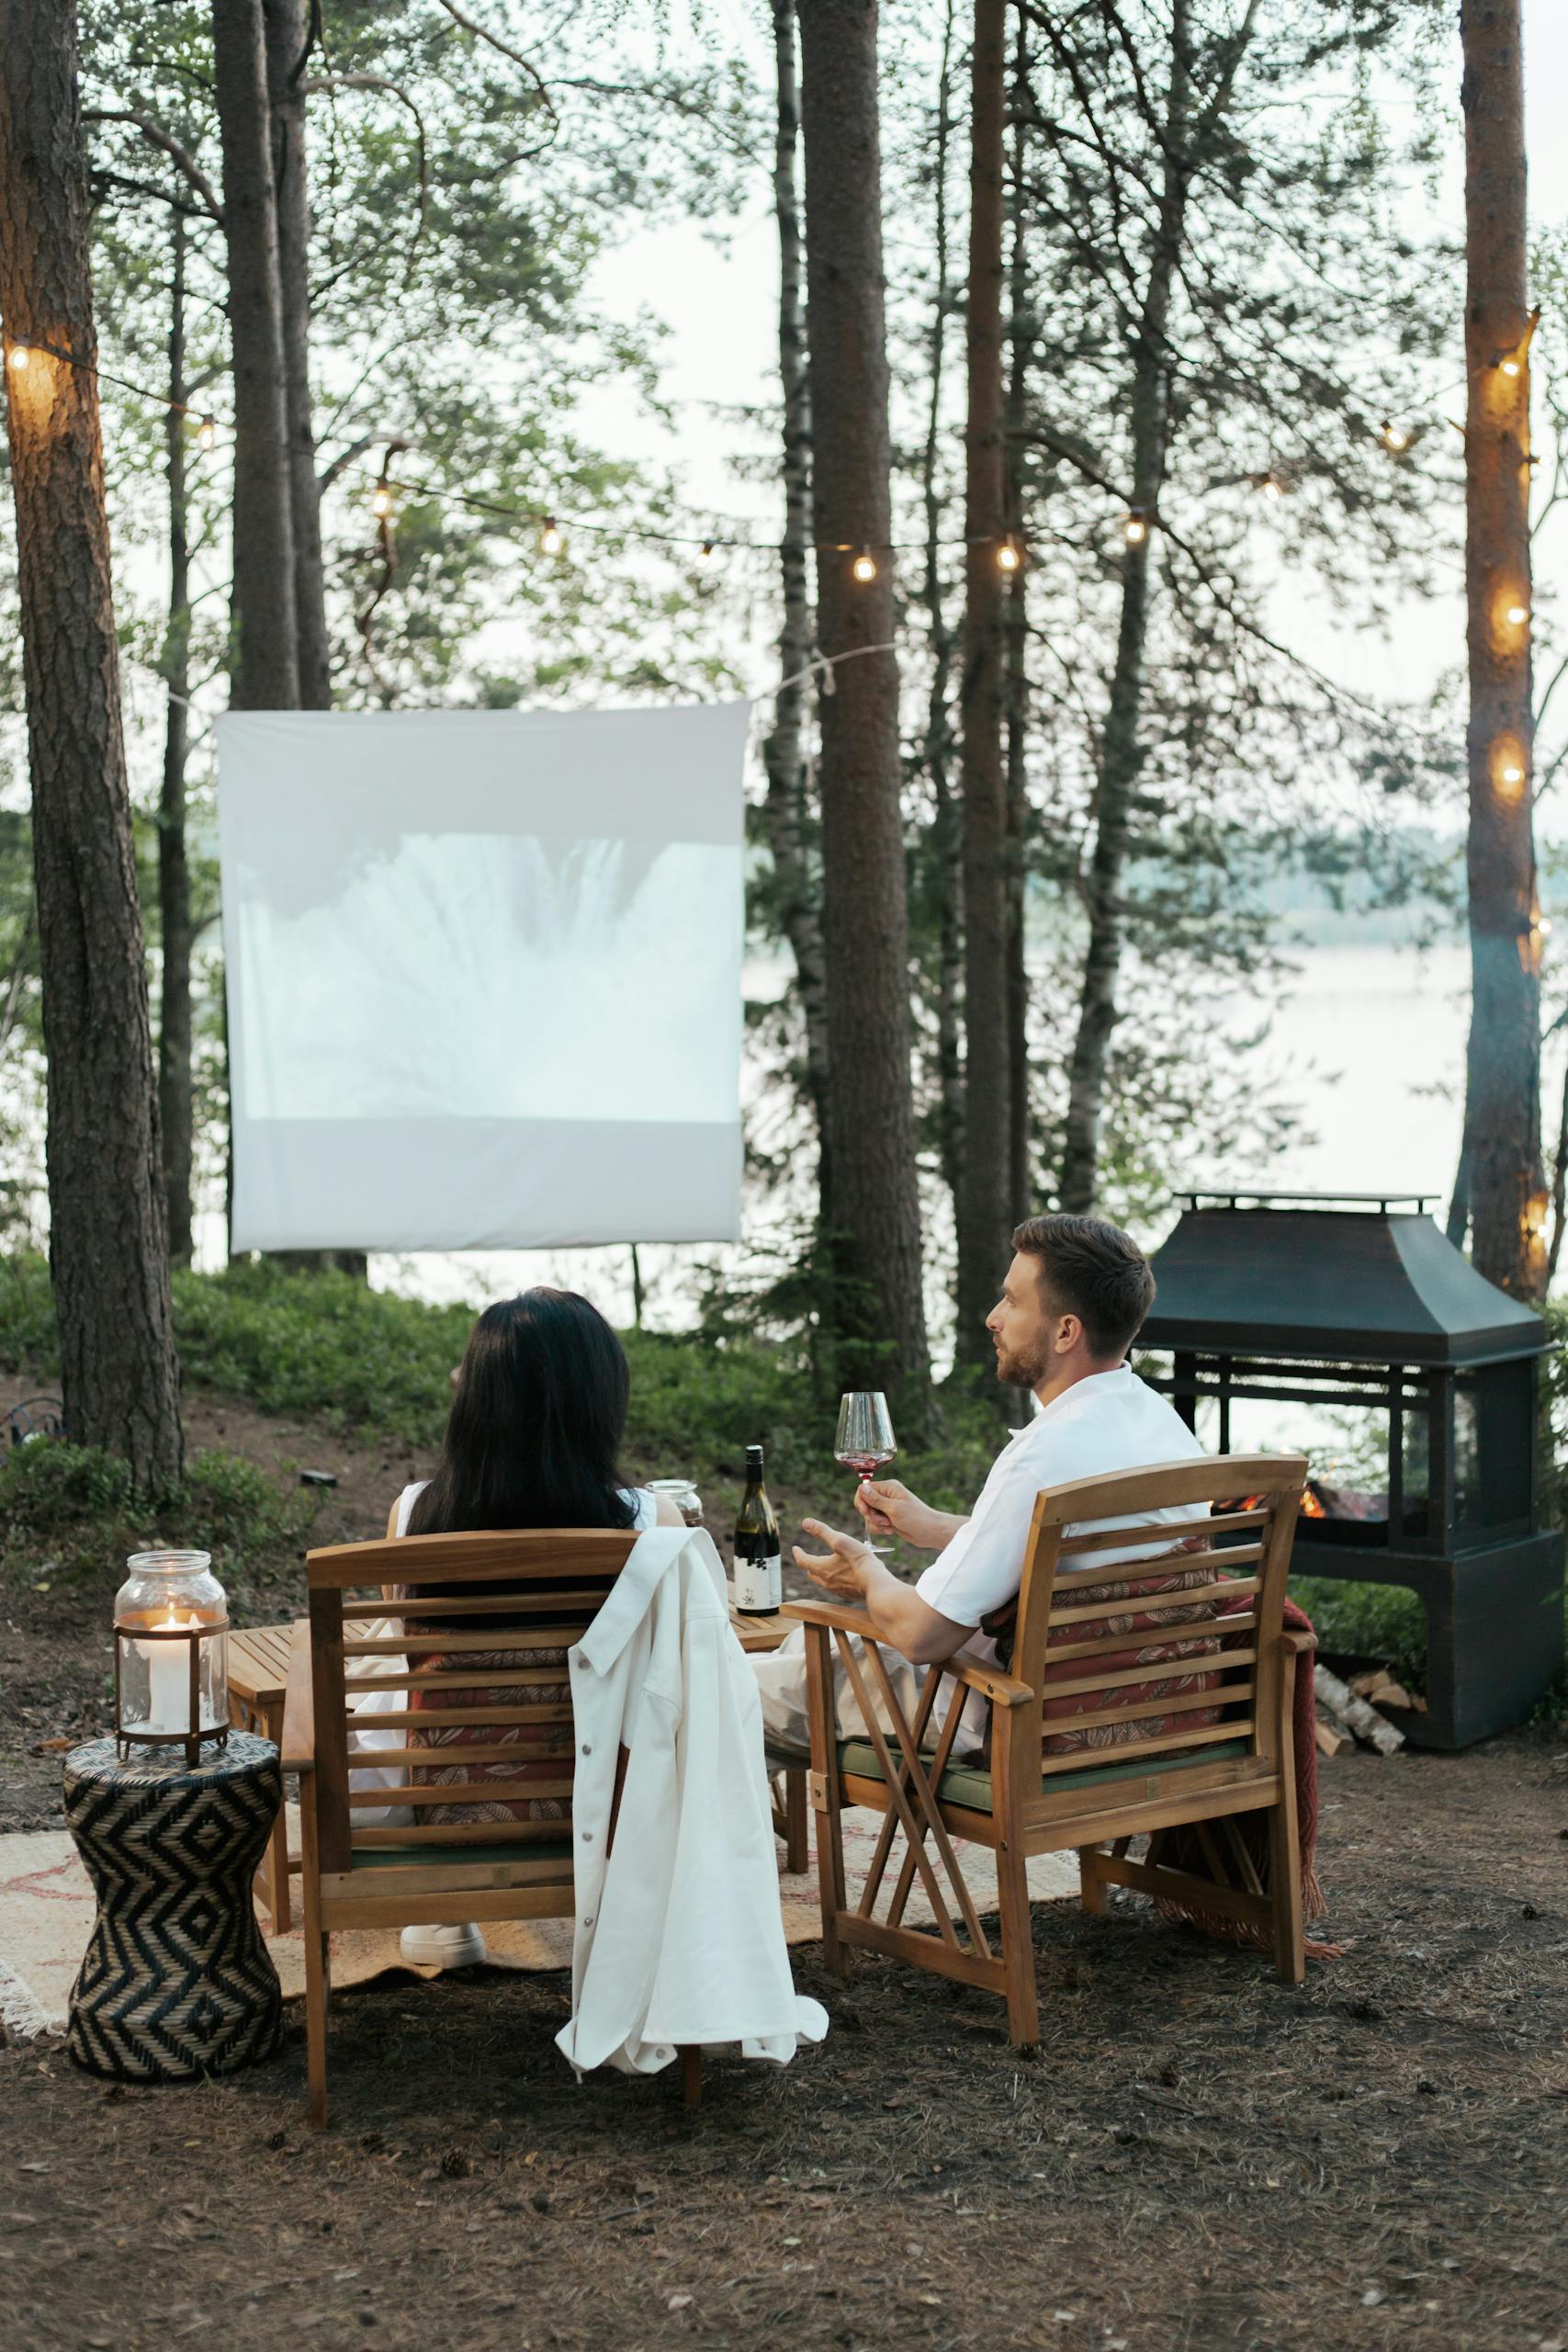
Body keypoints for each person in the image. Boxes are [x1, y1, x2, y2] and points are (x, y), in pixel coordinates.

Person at [752, 1211, 1207, 1759]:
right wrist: (937, 1527)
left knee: (723, 1691)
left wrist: (867, 1573)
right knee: (796, 1664)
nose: (993, 1319)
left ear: (1066, 1331)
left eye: (1013, 1301)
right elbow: (1074, 1550)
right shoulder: (1165, 1429)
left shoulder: (1044, 1455)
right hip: (1147, 1715)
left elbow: (922, 1637)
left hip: (1017, 1719)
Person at [350, 1287, 688, 1972]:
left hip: (430, 1805)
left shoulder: (414, 1512)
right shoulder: (652, 1522)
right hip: (604, 1806)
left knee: (393, 1680)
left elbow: (410, 1648)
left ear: (472, 1400)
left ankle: (441, 1911)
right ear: (599, 1401)